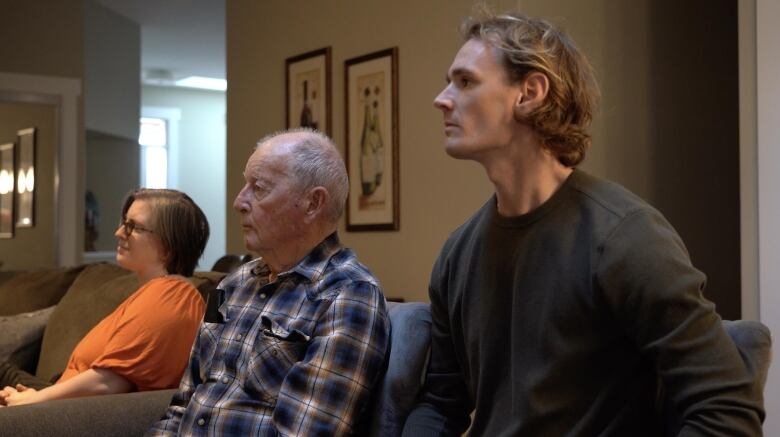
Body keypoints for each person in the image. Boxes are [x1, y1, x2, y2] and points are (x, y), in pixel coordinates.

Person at [403, 11, 764, 436]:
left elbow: (726, 410)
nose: (441, 98)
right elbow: (441, 405)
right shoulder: (457, 253)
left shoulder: (626, 236)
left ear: (530, 92)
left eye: (465, 81)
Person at [148, 129, 390, 436]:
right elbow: (183, 404)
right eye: (244, 184)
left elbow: (305, 432)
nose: (239, 201)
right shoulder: (231, 286)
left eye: (258, 188)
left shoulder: (347, 295)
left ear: (312, 203)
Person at [0, 189, 209, 407]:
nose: (119, 232)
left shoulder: (174, 297)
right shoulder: (151, 294)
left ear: (168, 246)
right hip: (60, 403)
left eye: (132, 227)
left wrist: (33, 401)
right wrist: (34, 396)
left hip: (76, 417)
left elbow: (109, 383)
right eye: (123, 223)